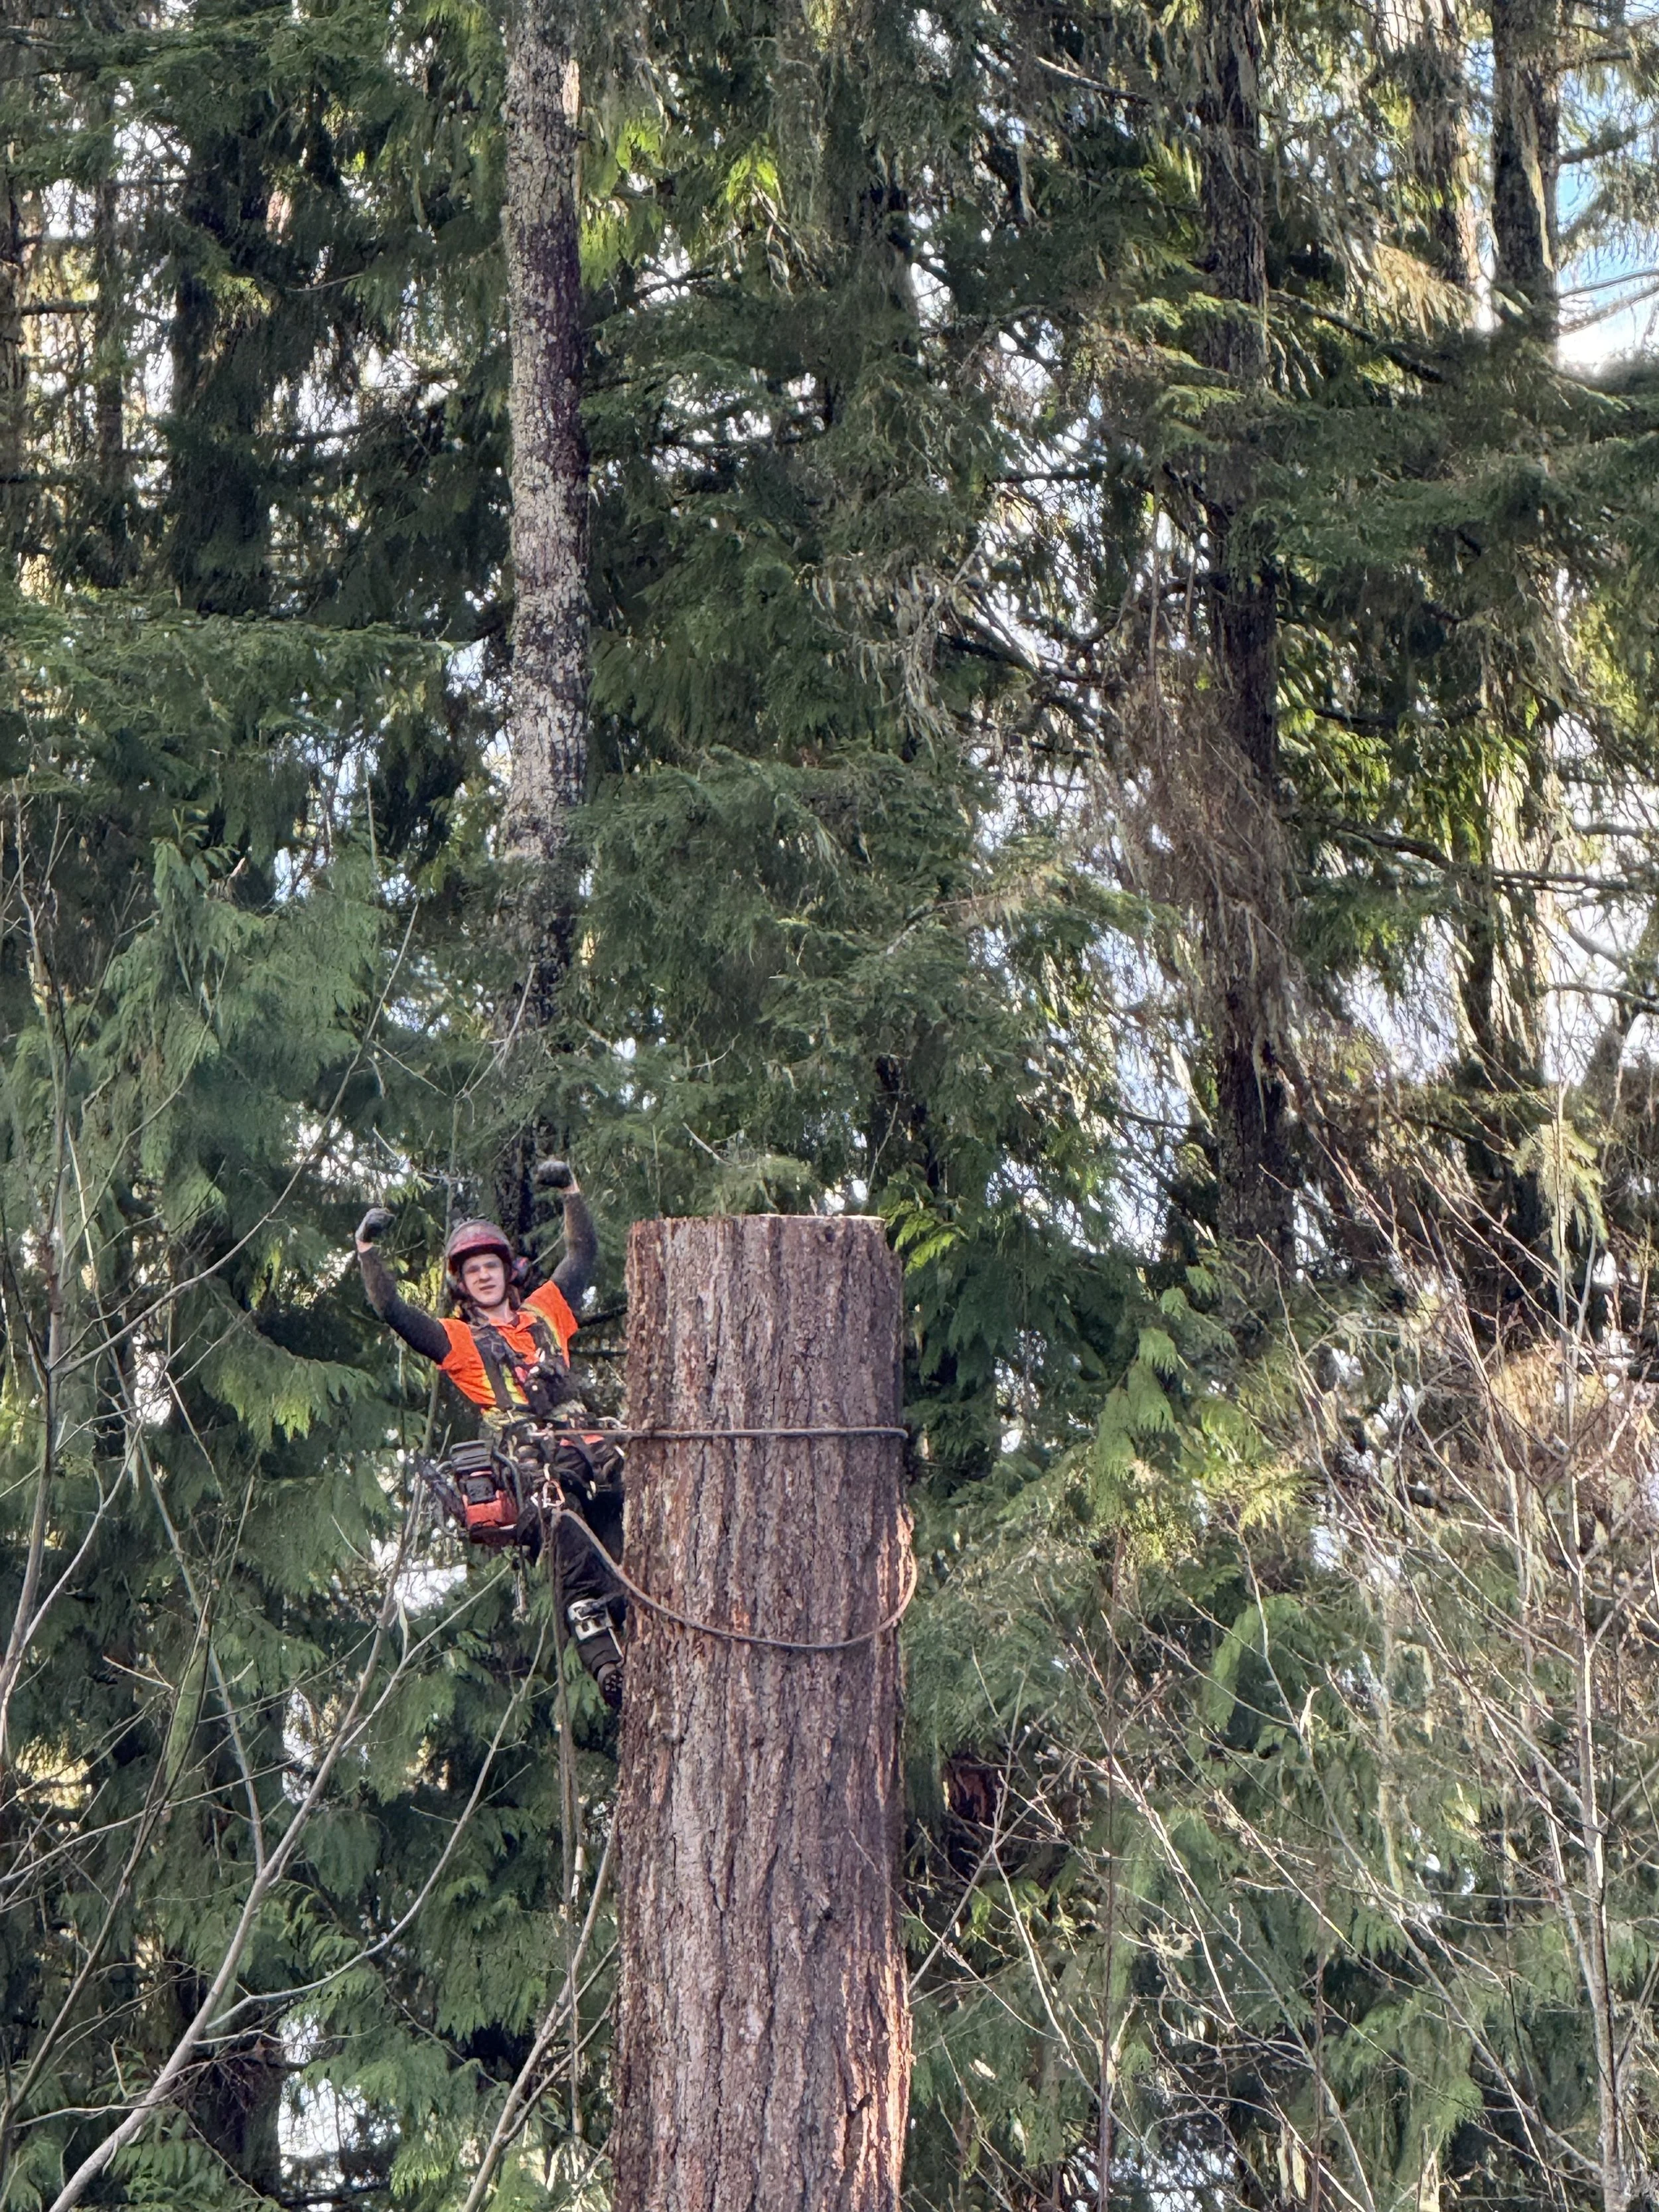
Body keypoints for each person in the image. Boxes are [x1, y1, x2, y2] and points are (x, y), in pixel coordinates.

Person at [354, 1163, 626, 1708]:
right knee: (571, 1541)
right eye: (473, 1269)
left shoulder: (548, 1310)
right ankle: (606, 1665)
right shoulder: (456, 1339)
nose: (483, 1276)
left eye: (491, 1265)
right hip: (536, 1467)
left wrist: (572, 1191)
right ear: (461, 1282)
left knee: (632, 1528)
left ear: (509, 1271)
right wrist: (366, 1250)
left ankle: (642, 1614)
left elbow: (583, 1254)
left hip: (591, 1445)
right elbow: (393, 1310)